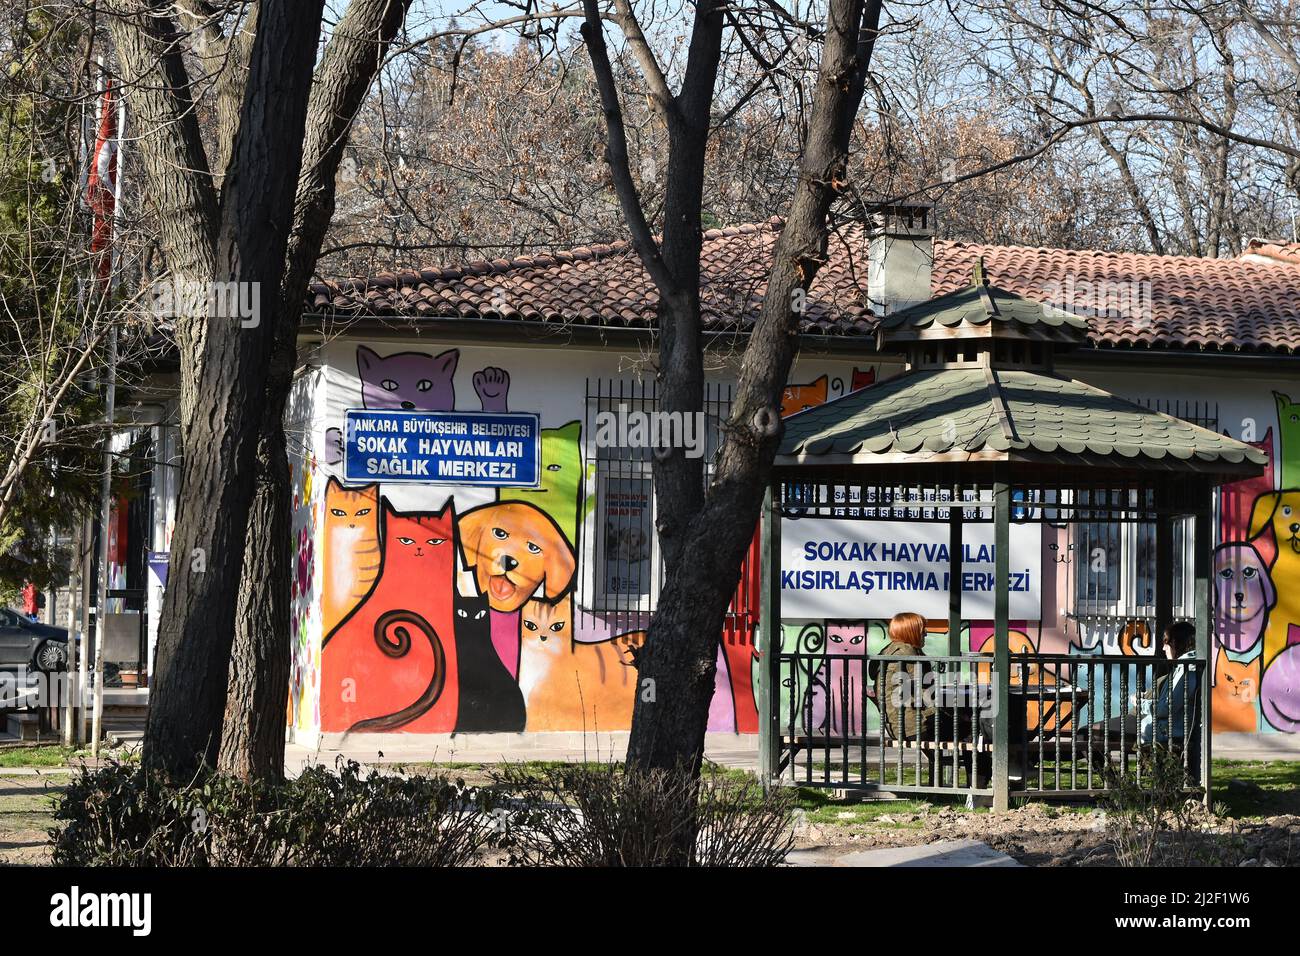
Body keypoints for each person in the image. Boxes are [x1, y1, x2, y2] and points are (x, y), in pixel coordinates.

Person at [1091, 621, 1201, 748]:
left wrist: (1140, 703)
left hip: (1162, 731)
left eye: (1166, 643)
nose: (1164, 648)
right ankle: (1101, 768)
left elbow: (1166, 709)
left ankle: (1098, 767)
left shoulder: (1186, 671)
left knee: (1089, 733)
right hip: (1157, 727)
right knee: (1088, 734)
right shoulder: (1183, 668)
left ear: (1177, 643)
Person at [869, 612, 936, 740]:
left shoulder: (888, 652)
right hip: (915, 727)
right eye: (922, 630)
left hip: (896, 726)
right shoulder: (907, 654)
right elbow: (925, 693)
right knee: (970, 725)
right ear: (910, 631)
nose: (926, 633)